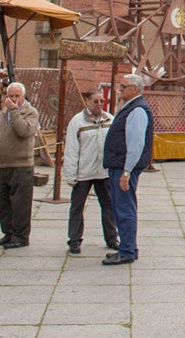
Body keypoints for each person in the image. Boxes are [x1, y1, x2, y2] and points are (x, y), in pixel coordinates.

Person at [102, 74, 154, 265]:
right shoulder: (131, 107)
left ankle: (127, 250)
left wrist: (126, 171)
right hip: (120, 165)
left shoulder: (137, 110)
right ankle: (128, 246)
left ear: (134, 89)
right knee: (121, 207)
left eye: (123, 87)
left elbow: (135, 143)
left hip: (124, 167)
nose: (120, 90)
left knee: (124, 208)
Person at [63, 90, 119, 255]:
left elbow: (115, 145)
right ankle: (74, 240)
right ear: (87, 101)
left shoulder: (109, 119)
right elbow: (72, 149)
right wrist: (71, 174)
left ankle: (111, 237)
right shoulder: (77, 122)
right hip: (84, 172)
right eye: (96, 101)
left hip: (103, 171)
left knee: (108, 206)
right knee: (77, 207)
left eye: (101, 101)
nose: (99, 104)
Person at [0, 81, 39, 250]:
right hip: (2, 165)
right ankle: (8, 232)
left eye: (17, 96)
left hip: (21, 165)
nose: (13, 99)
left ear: (23, 96)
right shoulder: (2, 114)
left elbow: (24, 131)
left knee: (20, 204)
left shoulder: (30, 113)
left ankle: (21, 236)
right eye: (10, 96)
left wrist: (14, 111)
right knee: (2, 203)